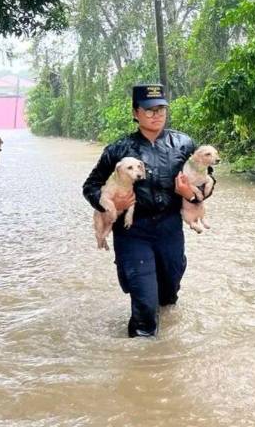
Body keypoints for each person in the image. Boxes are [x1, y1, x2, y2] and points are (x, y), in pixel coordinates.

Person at [82, 83, 207, 337]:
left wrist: (191, 195)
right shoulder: (119, 150)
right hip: (133, 231)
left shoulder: (183, 144)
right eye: (149, 110)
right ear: (135, 112)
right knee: (145, 307)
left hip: (170, 229)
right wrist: (111, 204)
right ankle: (140, 361)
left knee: (169, 294)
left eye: (161, 109)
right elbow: (91, 186)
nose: (156, 115)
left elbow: (207, 180)